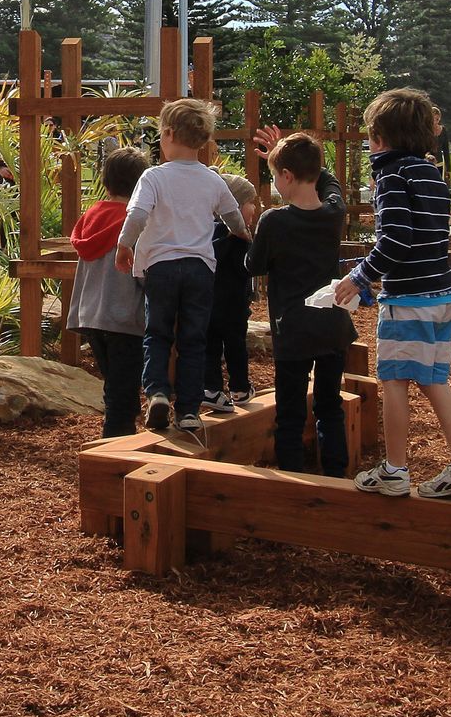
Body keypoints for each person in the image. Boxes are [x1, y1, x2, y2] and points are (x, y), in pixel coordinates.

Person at [335, 87, 451, 496]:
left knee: (395, 382)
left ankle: (395, 470)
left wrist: (360, 275)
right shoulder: (432, 175)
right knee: (436, 381)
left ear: (380, 138)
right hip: (441, 295)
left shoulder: (391, 177)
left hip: (408, 302)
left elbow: (396, 240)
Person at [116, 98, 249, 435]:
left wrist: (124, 244)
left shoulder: (153, 177)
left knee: (157, 334)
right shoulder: (212, 180)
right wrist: (242, 233)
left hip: (160, 267)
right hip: (200, 270)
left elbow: (137, 215)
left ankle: (158, 392)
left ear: (169, 134)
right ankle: (189, 410)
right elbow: (233, 215)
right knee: (193, 339)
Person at [246, 130, 355, 477]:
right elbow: (330, 181)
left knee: (290, 412)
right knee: (329, 405)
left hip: (292, 329)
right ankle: (336, 474)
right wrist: (292, 157)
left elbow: (254, 265)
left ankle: (293, 478)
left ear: (287, 177)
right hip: (332, 325)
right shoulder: (334, 213)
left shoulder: (274, 221)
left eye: (276, 174)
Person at [67, 146, 150, 437]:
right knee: (121, 394)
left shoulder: (90, 217)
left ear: (105, 182)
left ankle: (119, 436)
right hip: (125, 318)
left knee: (115, 386)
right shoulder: (135, 223)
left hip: (92, 316)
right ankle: (115, 452)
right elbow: (142, 272)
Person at [203, 171, 259, 412]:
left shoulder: (207, 233)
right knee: (235, 345)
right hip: (232, 306)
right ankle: (239, 387)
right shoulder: (238, 239)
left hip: (210, 305)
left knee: (212, 346)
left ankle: (212, 388)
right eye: (250, 203)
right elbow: (247, 268)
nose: (255, 209)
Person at [430, 104, 451, 187]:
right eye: (433, 119)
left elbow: (446, 150)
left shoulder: (443, 130)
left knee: (439, 187)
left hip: (439, 165)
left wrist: (448, 169)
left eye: (437, 119)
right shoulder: (424, 131)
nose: (435, 122)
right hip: (427, 163)